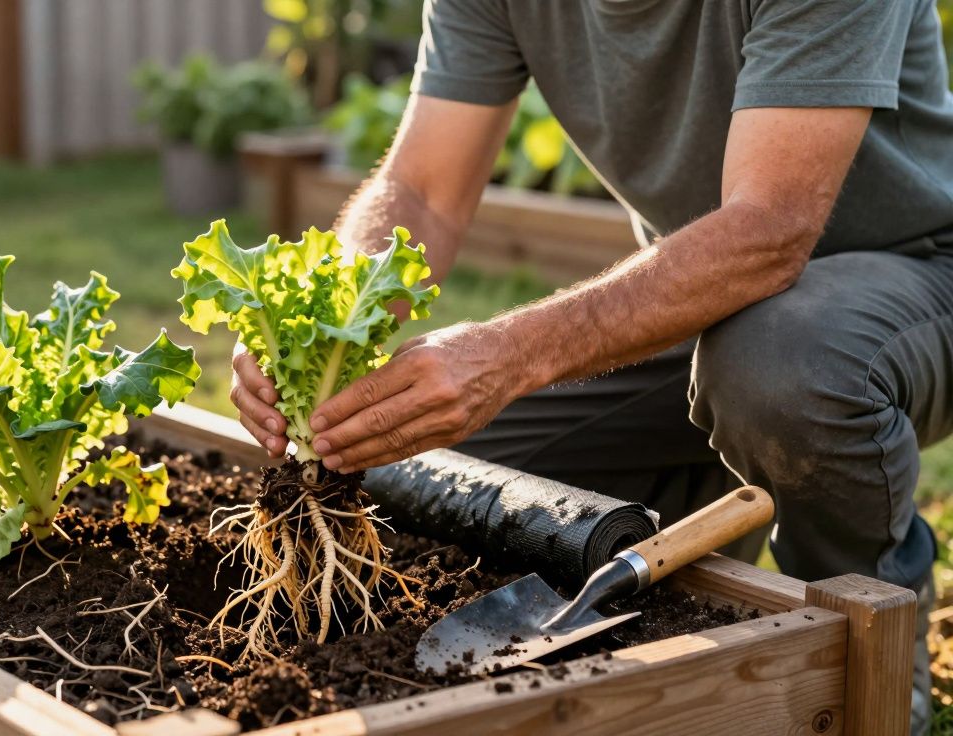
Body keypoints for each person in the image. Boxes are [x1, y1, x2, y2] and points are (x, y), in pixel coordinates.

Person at [230, 1, 953, 731]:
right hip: (712, 303)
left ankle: (872, 649)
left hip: (917, 275)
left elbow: (768, 228)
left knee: (783, 366)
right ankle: (685, 563)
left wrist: (504, 356)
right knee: (452, 469)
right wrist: (328, 324)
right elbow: (421, 189)